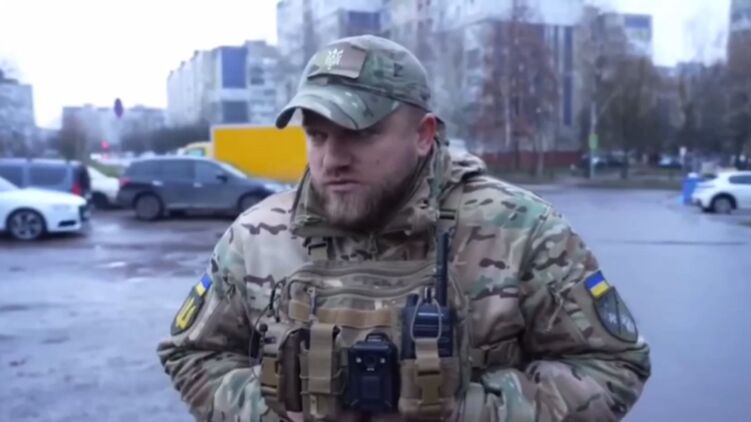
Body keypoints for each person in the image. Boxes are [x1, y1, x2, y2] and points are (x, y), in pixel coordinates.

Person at [157, 35, 651, 422]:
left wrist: (463, 410)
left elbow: (613, 365)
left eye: (360, 134)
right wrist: (279, 410)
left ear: (423, 135)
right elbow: (191, 354)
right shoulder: (256, 236)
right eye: (317, 135)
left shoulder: (520, 229)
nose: (332, 159)